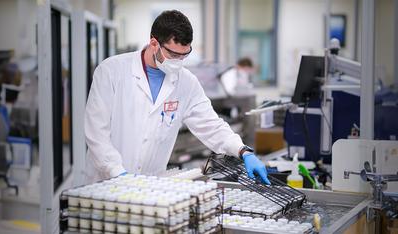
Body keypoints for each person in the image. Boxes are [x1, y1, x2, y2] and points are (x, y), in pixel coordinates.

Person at [83, 10, 270, 185]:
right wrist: (117, 172)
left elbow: (211, 124)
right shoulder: (112, 71)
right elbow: (96, 132)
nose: (178, 61)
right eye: (173, 54)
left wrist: (243, 151)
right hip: (106, 182)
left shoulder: (186, 82)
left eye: (184, 55)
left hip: (149, 184)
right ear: (154, 43)